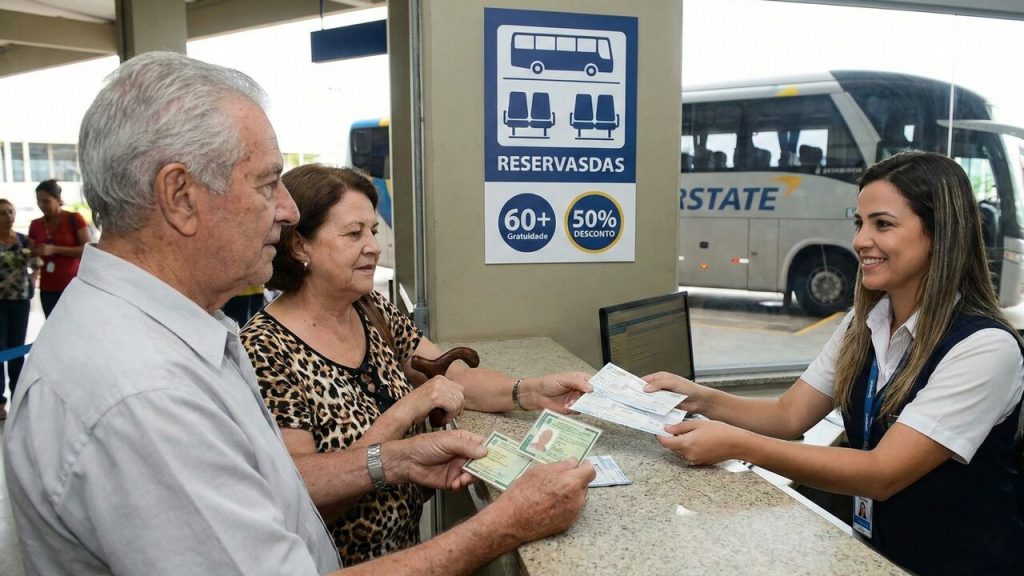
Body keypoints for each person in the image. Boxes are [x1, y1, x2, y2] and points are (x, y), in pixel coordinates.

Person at [4, 51, 595, 576]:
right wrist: (506, 524)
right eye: (267, 184)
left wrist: (392, 459)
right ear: (180, 196)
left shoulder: (178, 335)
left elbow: (269, 489)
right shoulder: (142, 396)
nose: (286, 210)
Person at [645, 151, 1024, 576]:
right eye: (859, 223)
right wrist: (699, 398)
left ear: (939, 235)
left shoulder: (985, 347)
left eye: (882, 224)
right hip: (877, 555)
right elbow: (789, 414)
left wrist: (736, 444)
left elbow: (882, 474)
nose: (860, 241)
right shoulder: (864, 322)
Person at [240, 163, 593, 563]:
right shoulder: (265, 349)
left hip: (409, 553)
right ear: (299, 246)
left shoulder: (370, 308)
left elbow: (451, 375)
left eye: (373, 231)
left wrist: (530, 391)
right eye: (354, 234)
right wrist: (406, 410)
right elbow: (299, 496)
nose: (373, 246)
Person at [27, 179, 90, 317]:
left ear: (58, 199)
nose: (42, 205)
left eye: (46, 201)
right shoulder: (36, 224)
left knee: (75, 322)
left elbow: (87, 250)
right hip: (47, 287)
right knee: (52, 324)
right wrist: (34, 254)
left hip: (72, 284)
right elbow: (30, 253)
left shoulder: (74, 219)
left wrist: (54, 249)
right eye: (39, 202)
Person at [0, 199, 36, 420]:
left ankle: (18, 400)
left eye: (11, 212)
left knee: (17, 351)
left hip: (20, 302)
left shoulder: (23, 240)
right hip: (0, 302)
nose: (8, 217)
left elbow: (35, 261)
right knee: (0, 349)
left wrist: (34, 277)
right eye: (3, 213)